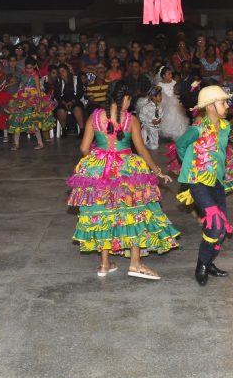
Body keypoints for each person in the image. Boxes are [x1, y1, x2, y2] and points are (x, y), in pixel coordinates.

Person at [67, 81, 179, 280]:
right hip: (127, 170)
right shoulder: (131, 120)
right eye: (129, 99)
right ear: (124, 98)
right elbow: (142, 150)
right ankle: (135, 264)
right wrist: (158, 171)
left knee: (104, 215)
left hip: (100, 171)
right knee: (135, 213)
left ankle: (104, 264)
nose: (130, 103)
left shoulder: (94, 117)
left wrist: (96, 162)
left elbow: (84, 148)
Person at [174, 85, 233, 287]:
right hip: (199, 182)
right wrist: (190, 164)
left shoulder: (225, 127)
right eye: (223, 102)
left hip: (217, 182)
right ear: (210, 106)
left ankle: (209, 263)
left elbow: (220, 152)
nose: (227, 106)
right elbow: (180, 145)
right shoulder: (198, 128)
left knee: (220, 229)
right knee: (215, 223)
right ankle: (201, 266)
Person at [6, 57, 54, 151]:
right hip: (22, 97)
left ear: (34, 66)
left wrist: (39, 103)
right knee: (17, 117)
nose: (29, 70)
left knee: (33, 120)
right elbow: (20, 84)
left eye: (30, 68)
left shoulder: (35, 76)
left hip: (33, 99)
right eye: (27, 68)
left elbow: (39, 90)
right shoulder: (22, 73)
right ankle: (16, 143)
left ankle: (40, 142)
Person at [156, 66, 189, 141]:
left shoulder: (174, 82)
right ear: (163, 76)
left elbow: (177, 91)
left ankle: (180, 134)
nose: (171, 75)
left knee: (179, 116)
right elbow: (158, 96)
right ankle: (170, 134)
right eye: (169, 74)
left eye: (171, 74)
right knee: (170, 116)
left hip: (176, 102)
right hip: (166, 105)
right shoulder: (159, 85)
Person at [137, 86, 163, 150]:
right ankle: (143, 143)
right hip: (147, 125)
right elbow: (141, 116)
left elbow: (160, 115)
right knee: (144, 134)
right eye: (159, 96)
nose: (161, 97)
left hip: (155, 127)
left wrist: (159, 120)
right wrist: (150, 121)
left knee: (154, 146)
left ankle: (149, 143)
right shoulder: (147, 107)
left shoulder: (160, 107)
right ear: (154, 97)